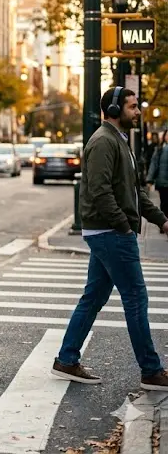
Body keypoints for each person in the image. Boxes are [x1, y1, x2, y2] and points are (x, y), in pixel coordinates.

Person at [52, 87, 168, 391]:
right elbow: (101, 191)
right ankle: (151, 370)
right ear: (115, 110)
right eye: (132, 107)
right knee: (136, 297)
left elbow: (135, 192)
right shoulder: (104, 142)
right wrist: (123, 226)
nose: (138, 112)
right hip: (110, 232)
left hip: (108, 230)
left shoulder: (119, 141)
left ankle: (66, 359)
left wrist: (161, 220)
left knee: (94, 297)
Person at [147, 130, 168, 224]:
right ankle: (164, 222)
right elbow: (154, 164)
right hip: (162, 181)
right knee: (164, 202)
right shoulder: (160, 149)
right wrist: (150, 179)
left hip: (162, 181)